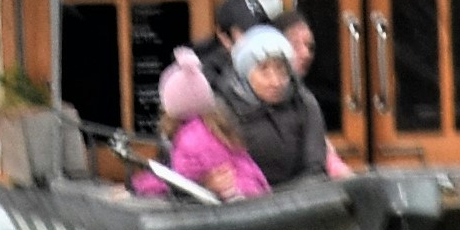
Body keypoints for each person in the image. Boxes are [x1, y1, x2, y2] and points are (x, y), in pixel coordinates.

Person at [214, 19, 336, 187]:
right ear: (245, 73)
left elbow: (315, 166)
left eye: (281, 69)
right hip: (246, 199)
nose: (275, 81)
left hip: (301, 199)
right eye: (264, 70)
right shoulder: (223, 109)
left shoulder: (303, 103)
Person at [142, 45, 266, 201]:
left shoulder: (190, 139)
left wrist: (137, 187)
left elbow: (177, 179)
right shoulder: (217, 127)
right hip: (252, 194)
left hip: (231, 204)